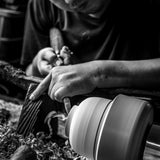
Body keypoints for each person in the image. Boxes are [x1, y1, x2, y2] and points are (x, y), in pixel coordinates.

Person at [20, 0, 160, 103]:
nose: (70, 1)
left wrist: (98, 73)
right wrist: (38, 65)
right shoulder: (43, 5)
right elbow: (28, 76)